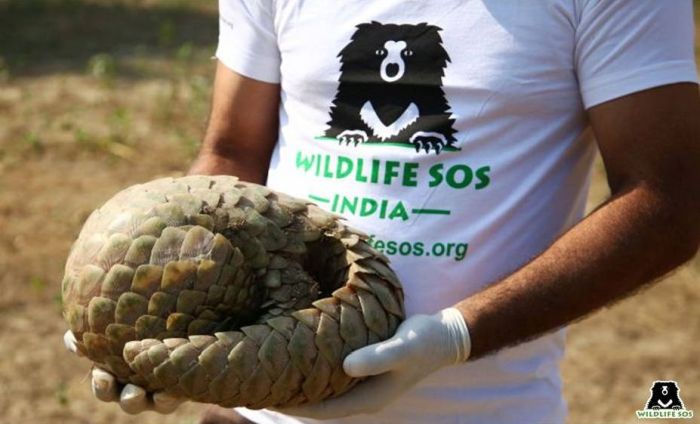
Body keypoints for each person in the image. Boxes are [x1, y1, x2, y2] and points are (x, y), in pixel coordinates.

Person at [65, 1, 700, 423]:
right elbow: (233, 152)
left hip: (483, 411)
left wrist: (458, 335)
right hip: (261, 407)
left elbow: (671, 196)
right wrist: (159, 305)